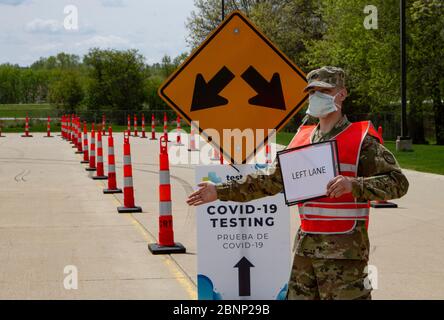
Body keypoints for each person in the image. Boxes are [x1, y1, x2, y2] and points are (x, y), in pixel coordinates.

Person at [187, 66, 409, 300]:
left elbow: (398, 183)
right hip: (306, 251)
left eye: (324, 90)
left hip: (346, 256)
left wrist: (354, 185)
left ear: (341, 94)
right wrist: (219, 191)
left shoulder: (361, 140)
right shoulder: (301, 140)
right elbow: (270, 181)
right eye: (311, 91)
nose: (315, 96)